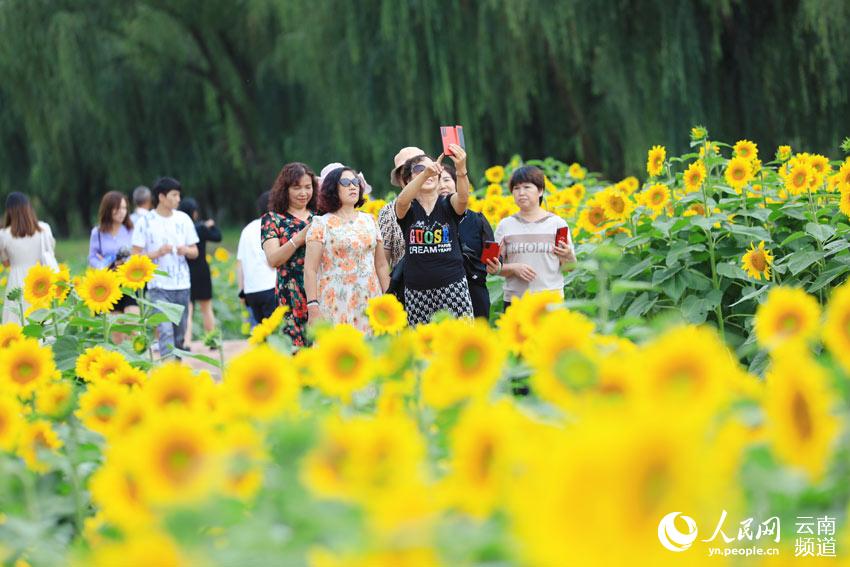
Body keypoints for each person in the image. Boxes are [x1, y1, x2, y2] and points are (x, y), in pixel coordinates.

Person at [394, 145, 473, 325]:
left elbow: (463, 198)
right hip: (417, 292)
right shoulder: (406, 208)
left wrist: (461, 168)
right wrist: (425, 174)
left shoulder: (448, 203)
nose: (428, 172)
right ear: (408, 180)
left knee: (457, 343)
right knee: (424, 349)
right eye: (419, 169)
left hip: (453, 287)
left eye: (432, 168)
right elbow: (402, 200)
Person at [304, 167, 389, 333]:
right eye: (345, 182)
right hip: (335, 300)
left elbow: (381, 264)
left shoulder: (370, 220)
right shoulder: (321, 223)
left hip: (370, 297)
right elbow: (310, 269)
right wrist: (312, 306)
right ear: (332, 188)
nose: (353, 186)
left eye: (356, 182)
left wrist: (388, 297)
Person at [486, 165, 576, 309]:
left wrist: (569, 255)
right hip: (515, 301)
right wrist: (514, 268)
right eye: (516, 188)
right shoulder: (505, 225)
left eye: (527, 187)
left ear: (540, 190)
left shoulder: (557, 224)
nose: (521, 193)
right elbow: (492, 268)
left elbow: (569, 268)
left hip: (551, 302)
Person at [131, 177, 199, 358]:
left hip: (182, 284)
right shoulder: (145, 222)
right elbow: (135, 256)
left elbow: (195, 252)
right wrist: (157, 253)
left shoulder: (183, 219)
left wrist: (186, 250)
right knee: (165, 331)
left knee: (179, 335)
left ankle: (174, 373)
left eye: (179, 195)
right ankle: (166, 373)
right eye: (174, 195)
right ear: (161, 197)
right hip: (158, 286)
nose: (178, 199)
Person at [261, 162, 318, 347]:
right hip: (290, 297)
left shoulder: (321, 216)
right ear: (285, 189)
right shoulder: (273, 219)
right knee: (295, 355)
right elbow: (273, 259)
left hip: (320, 293)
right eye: (297, 187)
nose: (303, 193)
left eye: (308, 187)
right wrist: (298, 239)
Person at [438, 163, 495, 319]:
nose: (442, 186)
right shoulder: (427, 223)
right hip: (441, 293)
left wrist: (496, 264)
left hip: (474, 290)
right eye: (436, 181)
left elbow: (492, 253)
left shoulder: (477, 219)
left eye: (446, 180)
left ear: (457, 183)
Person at [0, 193, 57, 324]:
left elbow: (6, 262)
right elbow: (50, 252)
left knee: (17, 322)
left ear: (9, 211)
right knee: (42, 323)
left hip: (16, 282)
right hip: (40, 281)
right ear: (29, 208)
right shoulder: (44, 229)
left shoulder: (4, 235)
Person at [178, 197, 221, 344]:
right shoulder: (201, 228)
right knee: (206, 308)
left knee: (188, 310)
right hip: (202, 270)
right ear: (194, 212)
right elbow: (218, 236)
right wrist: (210, 225)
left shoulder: (180, 229)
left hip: (186, 271)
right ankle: (213, 341)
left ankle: (187, 343)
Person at [88, 191, 138, 314]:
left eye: (124, 208)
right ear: (108, 209)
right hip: (108, 282)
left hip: (128, 281)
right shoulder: (97, 232)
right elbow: (92, 257)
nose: (122, 212)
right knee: (116, 329)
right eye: (118, 208)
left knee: (133, 322)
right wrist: (104, 263)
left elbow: (137, 253)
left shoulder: (131, 230)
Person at [377, 146, 424, 270]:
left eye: (418, 168)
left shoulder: (442, 203)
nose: (413, 175)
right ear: (399, 178)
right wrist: (388, 289)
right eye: (406, 170)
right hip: (405, 284)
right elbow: (382, 262)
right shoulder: (388, 211)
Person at [237, 191, 277, 327]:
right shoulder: (273, 226)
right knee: (277, 335)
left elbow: (240, 264)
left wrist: (241, 291)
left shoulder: (247, 230)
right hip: (271, 287)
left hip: (251, 291)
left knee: (259, 336)